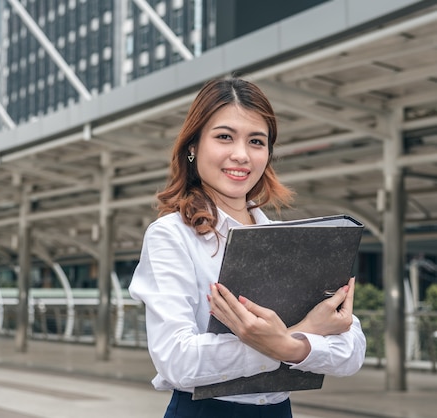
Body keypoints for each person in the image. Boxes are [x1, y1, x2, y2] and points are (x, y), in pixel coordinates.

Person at [128, 77, 366, 418]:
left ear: (268, 153)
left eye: (256, 141)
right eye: (224, 137)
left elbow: (353, 349)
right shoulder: (171, 235)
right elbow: (177, 361)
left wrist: (283, 342)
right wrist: (302, 335)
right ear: (192, 146)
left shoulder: (292, 240)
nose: (241, 155)